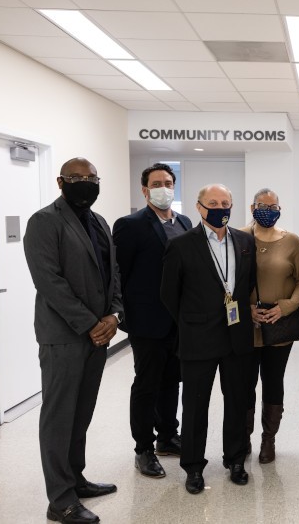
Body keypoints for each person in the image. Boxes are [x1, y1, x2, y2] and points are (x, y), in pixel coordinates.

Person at [23, 157, 122, 524]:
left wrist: (113, 315)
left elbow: (114, 274)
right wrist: (89, 324)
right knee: (59, 417)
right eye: (77, 178)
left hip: (98, 334)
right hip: (64, 336)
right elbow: (49, 281)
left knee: (81, 413)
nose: (86, 183)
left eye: (92, 177)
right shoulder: (45, 221)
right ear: (60, 181)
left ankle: (75, 478)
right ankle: (60, 500)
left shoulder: (99, 222)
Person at [159, 184, 256, 494]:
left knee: (238, 402)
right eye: (213, 202)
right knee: (196, 406)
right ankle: (193, 466)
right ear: (199, 208)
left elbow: (246, 284)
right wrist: (192, 321)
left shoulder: (244, 241)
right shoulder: (182, 245)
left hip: (237, 336)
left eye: (226, 202)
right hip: (197, 337)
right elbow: (168, 295)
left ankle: (236, 460)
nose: (220, 207)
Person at [113, 163, 192, 479]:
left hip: (180, 321)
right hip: (147, 321)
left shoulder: (184, 222)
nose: (164, 188)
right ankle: (143, 448)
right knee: (146, 384)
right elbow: (119, 273)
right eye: (157, 183)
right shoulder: (130, 225)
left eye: (169, 182)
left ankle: (168, 437)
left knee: (172, 379)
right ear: (144, 190)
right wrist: (122, 313)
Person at [240, 188, 299, 463]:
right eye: (261, 205)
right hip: (247, 325)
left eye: (273, 205)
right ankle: (243, 438)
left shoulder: (292, 241)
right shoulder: (238, 238)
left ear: (280, 208)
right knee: (244, 384)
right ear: (251, 207)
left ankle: (268, 440)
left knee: (273, 381)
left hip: (279, 324)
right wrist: (247, 311)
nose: (267, 209)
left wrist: (287, 306)